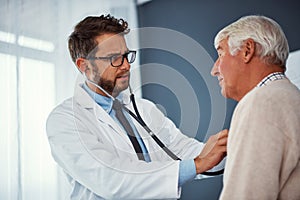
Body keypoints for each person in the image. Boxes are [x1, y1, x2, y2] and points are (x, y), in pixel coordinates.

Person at [46, 14, 228, 199]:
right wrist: (198, 164)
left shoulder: (143, 109)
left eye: (126, 56)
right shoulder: (65, 120)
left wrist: (229, 150)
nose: (125, 66)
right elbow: (113, 181)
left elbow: (181, 149)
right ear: (84, 66)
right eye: (114, 58)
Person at [211, 15, 300, 200]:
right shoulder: (290, 97)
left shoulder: (262, 102)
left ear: (247, 50)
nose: (214, 69)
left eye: (220, 54)